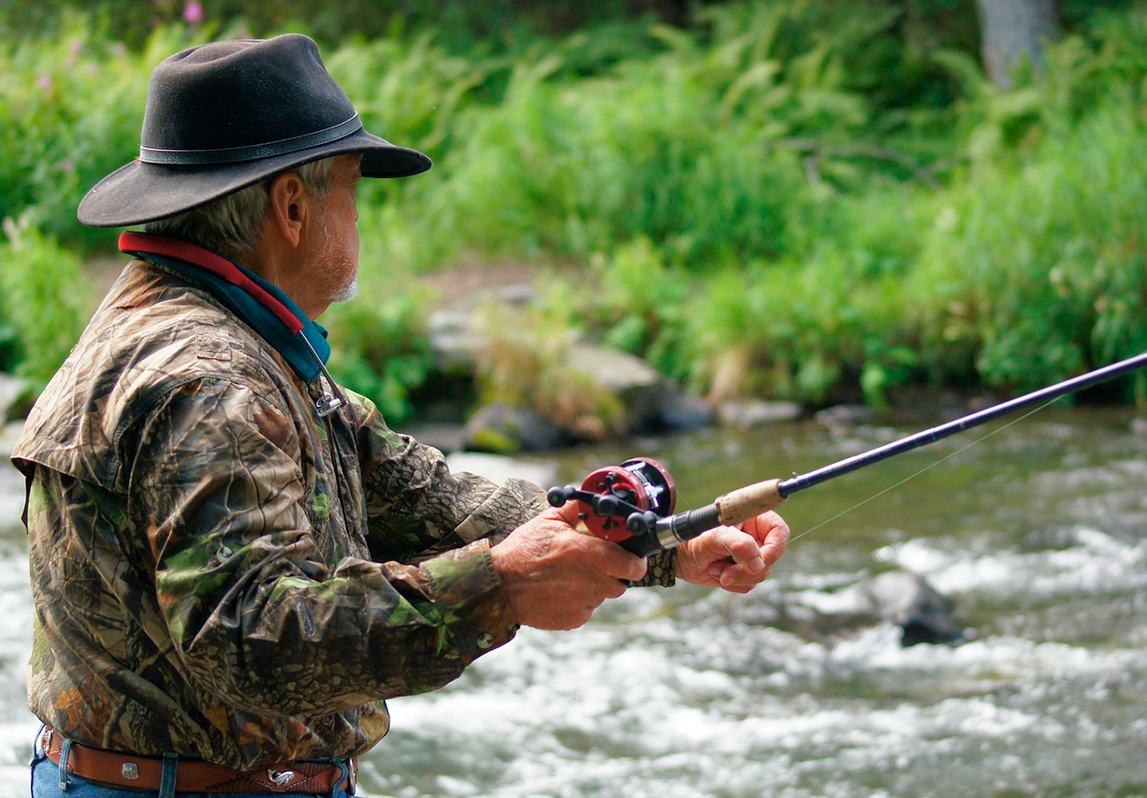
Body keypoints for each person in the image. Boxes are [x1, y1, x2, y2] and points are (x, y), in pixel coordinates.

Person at [13, 34, 790, 797]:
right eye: (352, 190)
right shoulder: (211, 379)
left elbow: (422, 497)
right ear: (292, 207)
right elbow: (251, 639)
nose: (359, 220)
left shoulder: (212, 333)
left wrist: (663, 543)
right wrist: (500, 586)